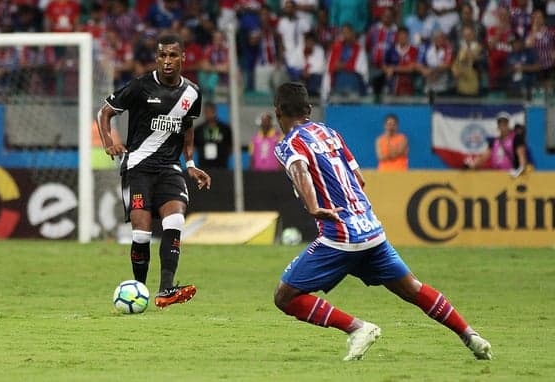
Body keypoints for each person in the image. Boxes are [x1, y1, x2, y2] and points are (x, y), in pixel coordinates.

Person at [272, 81, 492, 361]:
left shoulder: (289, 143)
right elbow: (360, 179)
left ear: (278, 112)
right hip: (371, 228)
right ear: (309, 109)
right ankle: (471, 336)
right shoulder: (331, 134)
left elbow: (300, 169)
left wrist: (315, 207)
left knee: (285, 296)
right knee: (412, 288)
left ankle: (357, 328)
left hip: (340, 236)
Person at [97, 34, 211, 309]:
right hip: (138, 167)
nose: (168, 61)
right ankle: (139, 288)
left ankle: (166, 290)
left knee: (175, 222)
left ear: (183, 58)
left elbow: (187, 128)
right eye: (163, 56)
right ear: (157, 59)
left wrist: (191, 164)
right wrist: (109, 143)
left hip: (170, 169)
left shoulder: (192, 93)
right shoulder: (140, 87)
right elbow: (105, 113)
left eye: (173, 55)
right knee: (141, 235)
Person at [465, 111, 529, 177]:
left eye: (505, 123)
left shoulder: (516, 138)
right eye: (500, 123)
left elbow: (521, 156)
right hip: (497, 175)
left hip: (511, 175)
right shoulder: (495, 141)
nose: (502, 125)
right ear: (497, 125)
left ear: (508, 124)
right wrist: (473, 165)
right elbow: (484, 156)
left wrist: (520, 170)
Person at [194, 101, 232, 169]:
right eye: (206, 112)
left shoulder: (225, 129)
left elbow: (230, 146)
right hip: (204, 166)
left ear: (215, 111)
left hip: (221, 166)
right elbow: (194, 146)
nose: (209, 114)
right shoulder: (198, 130)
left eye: (211, 111)